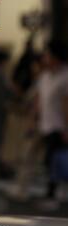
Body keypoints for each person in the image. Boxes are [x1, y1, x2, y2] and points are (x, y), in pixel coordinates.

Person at [34, 41, 68, 209]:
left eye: (48, 55)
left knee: (55, 160)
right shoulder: (45, 76)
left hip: (58, 126)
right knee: (50, 161)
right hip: (45, 125)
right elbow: (40, 100)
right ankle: (56, 193)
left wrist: (66, 128)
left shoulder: (65, 76)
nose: (45, 58)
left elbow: (66, 104)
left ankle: (53, 195)